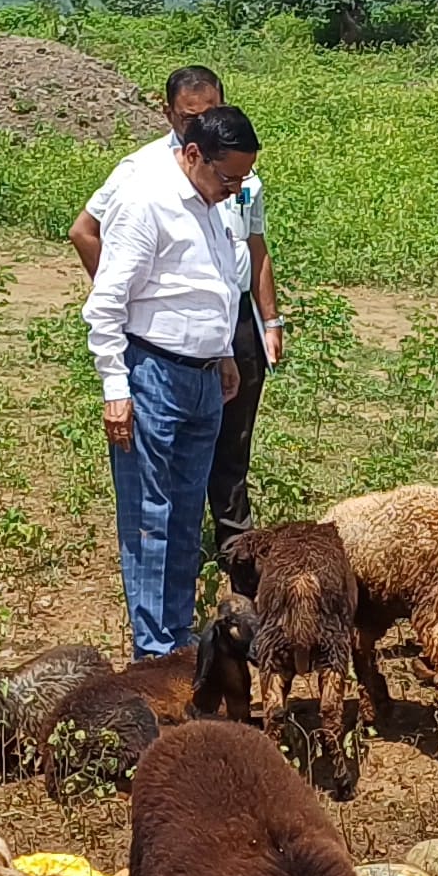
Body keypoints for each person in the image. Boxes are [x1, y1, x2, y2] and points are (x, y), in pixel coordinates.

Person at [82, 104, 261, 658]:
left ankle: (177, 641)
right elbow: (106, 304)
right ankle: (153, 650)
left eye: (243, 179)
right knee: (149, 518)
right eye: (228, 176)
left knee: (184, 519)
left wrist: (224, 353)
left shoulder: (212, 205)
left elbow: (216, 285)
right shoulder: (148, 202)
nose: (235, 190)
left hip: (204, 381)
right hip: (154, 376)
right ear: (193, 155)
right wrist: (116, 389)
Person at [76, 66, 278, 535]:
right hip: (163, 346)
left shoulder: (237, 170)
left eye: (213, 112)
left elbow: (254, 245)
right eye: (190, 117)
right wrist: (136, 305)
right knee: (160, 478)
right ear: (168, 113)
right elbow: (85, 232)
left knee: (232, 440)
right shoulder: (143, 173)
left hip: (228, 325)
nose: (203, 125)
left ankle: (232, 543)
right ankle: (162, 554)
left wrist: (270, 321)